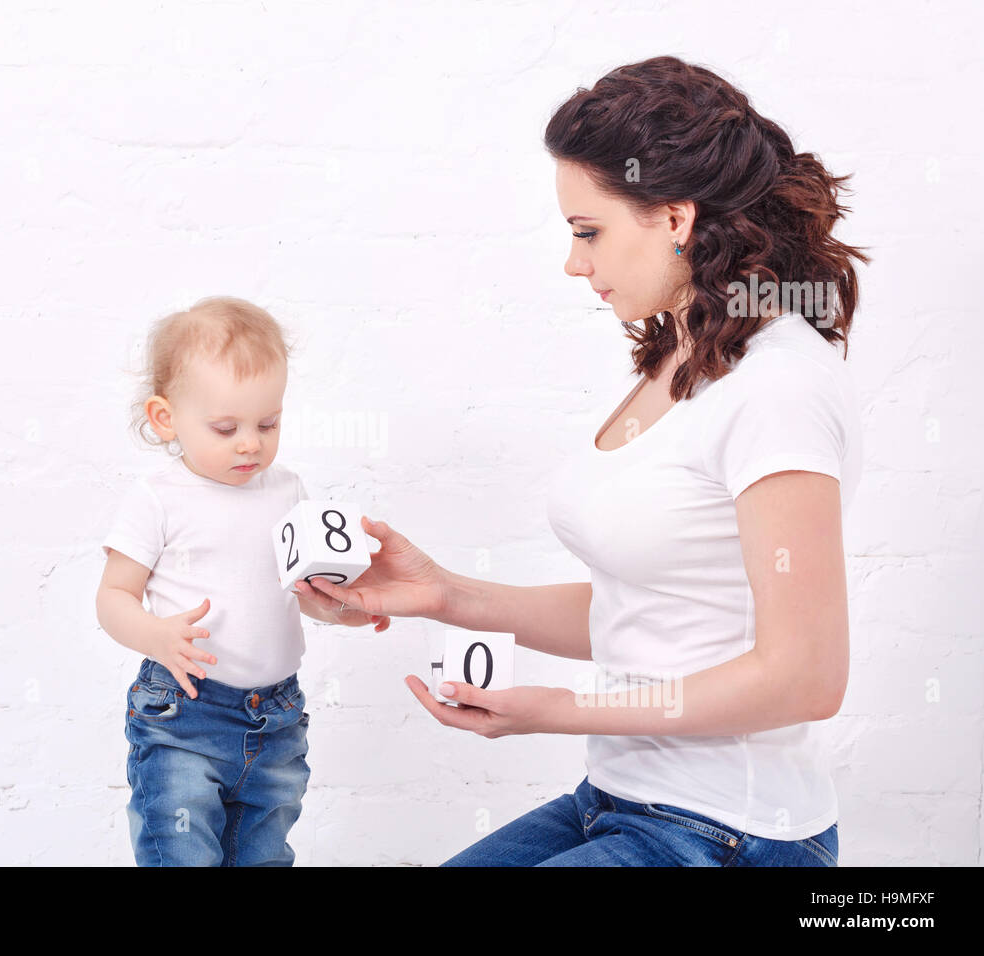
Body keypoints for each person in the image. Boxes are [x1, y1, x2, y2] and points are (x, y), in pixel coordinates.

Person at [299, 55, 869, 867]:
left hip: (727, 832)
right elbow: (649, 609)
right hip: (616, 801)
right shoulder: (682, 354)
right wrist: (446, 595)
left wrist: (562, 709)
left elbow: (806, 678)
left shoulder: (778, 385)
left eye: (588, 231)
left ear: (675, 217)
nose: (574, 263)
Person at [95, 296, 390, 866]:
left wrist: (341, 609)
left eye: (268, 423)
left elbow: (301, 591)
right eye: (226, 427)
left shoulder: (286, 490)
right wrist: (155, 636)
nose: (251, 442)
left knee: (263, 855)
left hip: (277, 716)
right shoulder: (158, 499)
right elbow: (113, 597)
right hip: (184, 714)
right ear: (165, 418)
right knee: (183, 853)